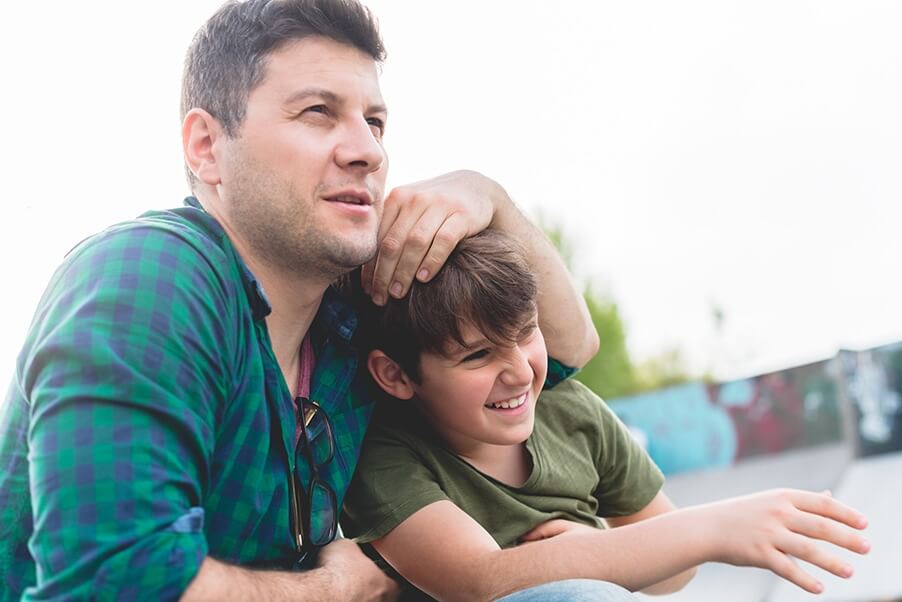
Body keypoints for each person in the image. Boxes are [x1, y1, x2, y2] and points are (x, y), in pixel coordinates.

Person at [0, 0, 602, 600]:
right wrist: (335, 588)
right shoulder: (148, 279)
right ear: (207, 146)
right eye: (319, 111)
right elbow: (112, 584)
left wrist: (489, 197)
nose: (368, 150)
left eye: (376, 122)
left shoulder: (350, 315)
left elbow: (569, 353)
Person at [343, 229, 872, 601]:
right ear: (396, 375)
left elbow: (675, 574)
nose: (521, 373)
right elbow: (479, 581)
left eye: (527, 333)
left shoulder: (569, 410)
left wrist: (601, 547)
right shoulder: (385, 456)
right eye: (477, 355)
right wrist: (715, 527)